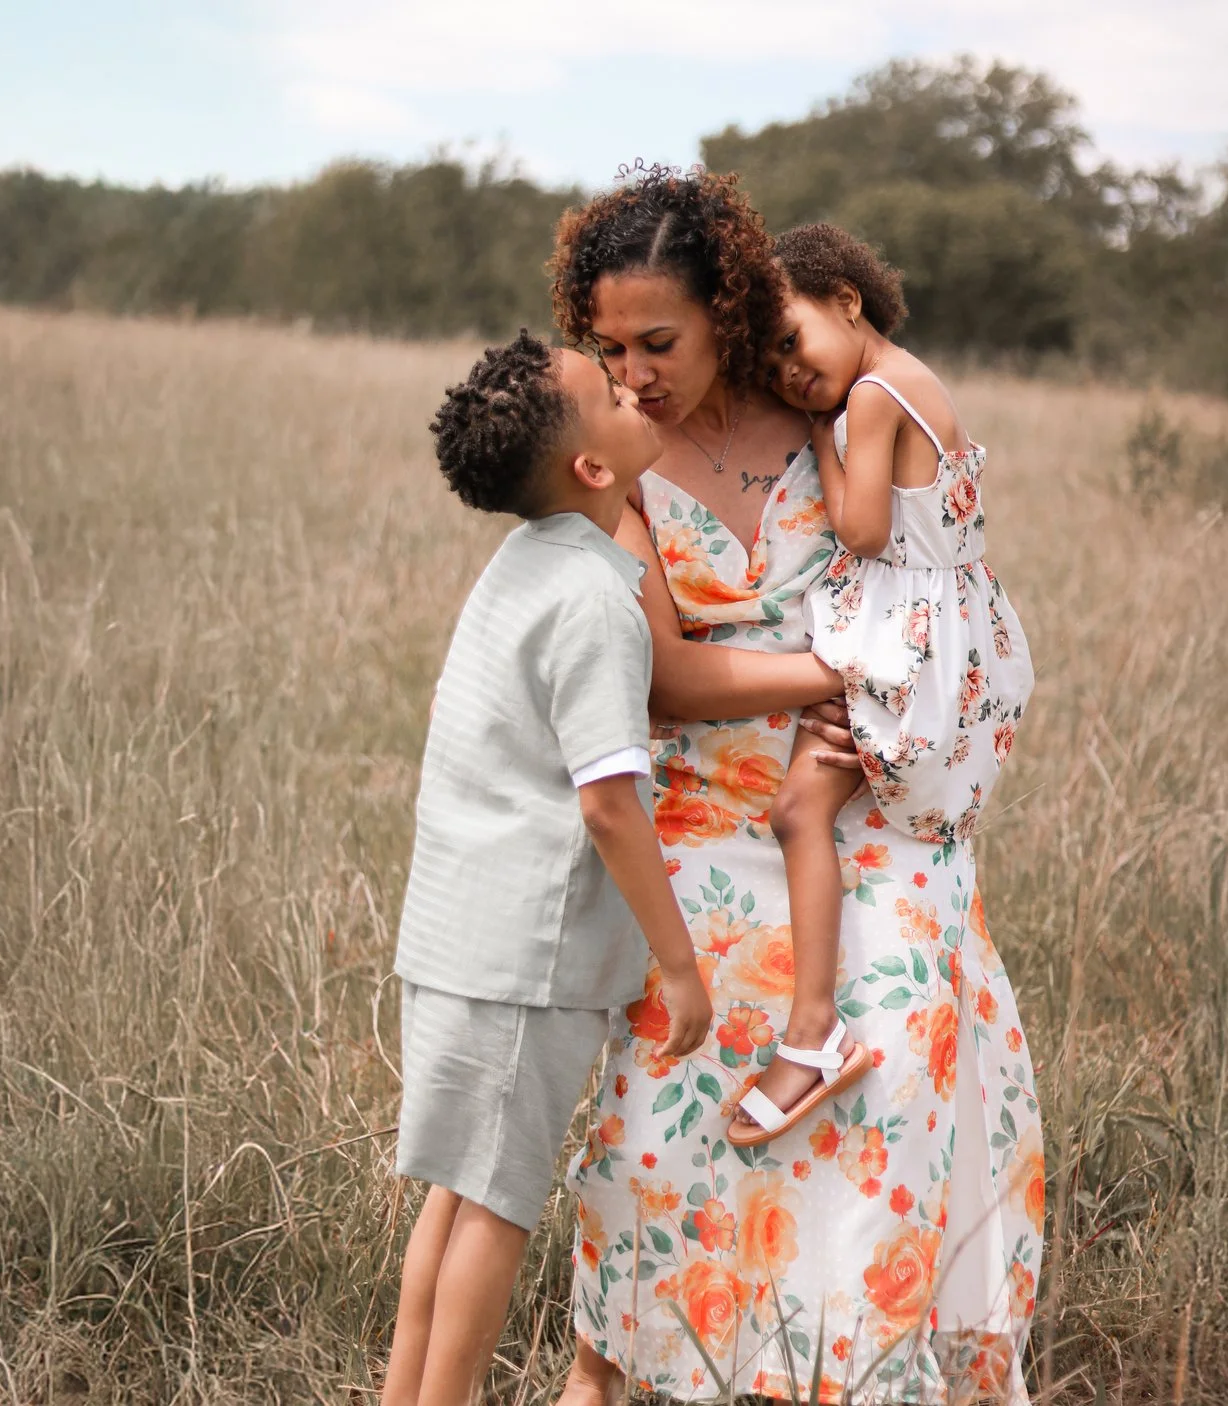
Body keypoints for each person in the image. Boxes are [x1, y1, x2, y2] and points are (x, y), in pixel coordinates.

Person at [548, 167, 1045, 1406]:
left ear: (729, 308)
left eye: (658, 340)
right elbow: (661, 672)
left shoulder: (825, 398)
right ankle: (626, 1363)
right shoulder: (614, 460)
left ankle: (848, 1368)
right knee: (684, 1066)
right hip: (706, 809)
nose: (633, 371)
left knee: (895, 1017)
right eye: (607, 346)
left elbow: (940, 559)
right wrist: (829, 667)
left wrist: (911, 696)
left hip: (862, 803)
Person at [383, 331, 715, 1406]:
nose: (636, 389)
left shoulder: (528, 564)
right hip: (522, 957)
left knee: (456, 1194)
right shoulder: (592, 602)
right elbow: (609, 801)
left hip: (456, 934)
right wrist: (678, 965)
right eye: (614, 391)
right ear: (594, 467)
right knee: (498, 1209)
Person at [726, 223, 1035, 1151]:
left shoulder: (866, 398)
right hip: (960, 634)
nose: (789, 374)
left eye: (790, 341)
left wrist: (820, 440)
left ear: (847, 301)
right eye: (771, 368)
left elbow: (861, 531)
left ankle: (814, 1027)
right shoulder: (919, 378)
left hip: (908, 652)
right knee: (828, 815)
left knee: (796, 813)